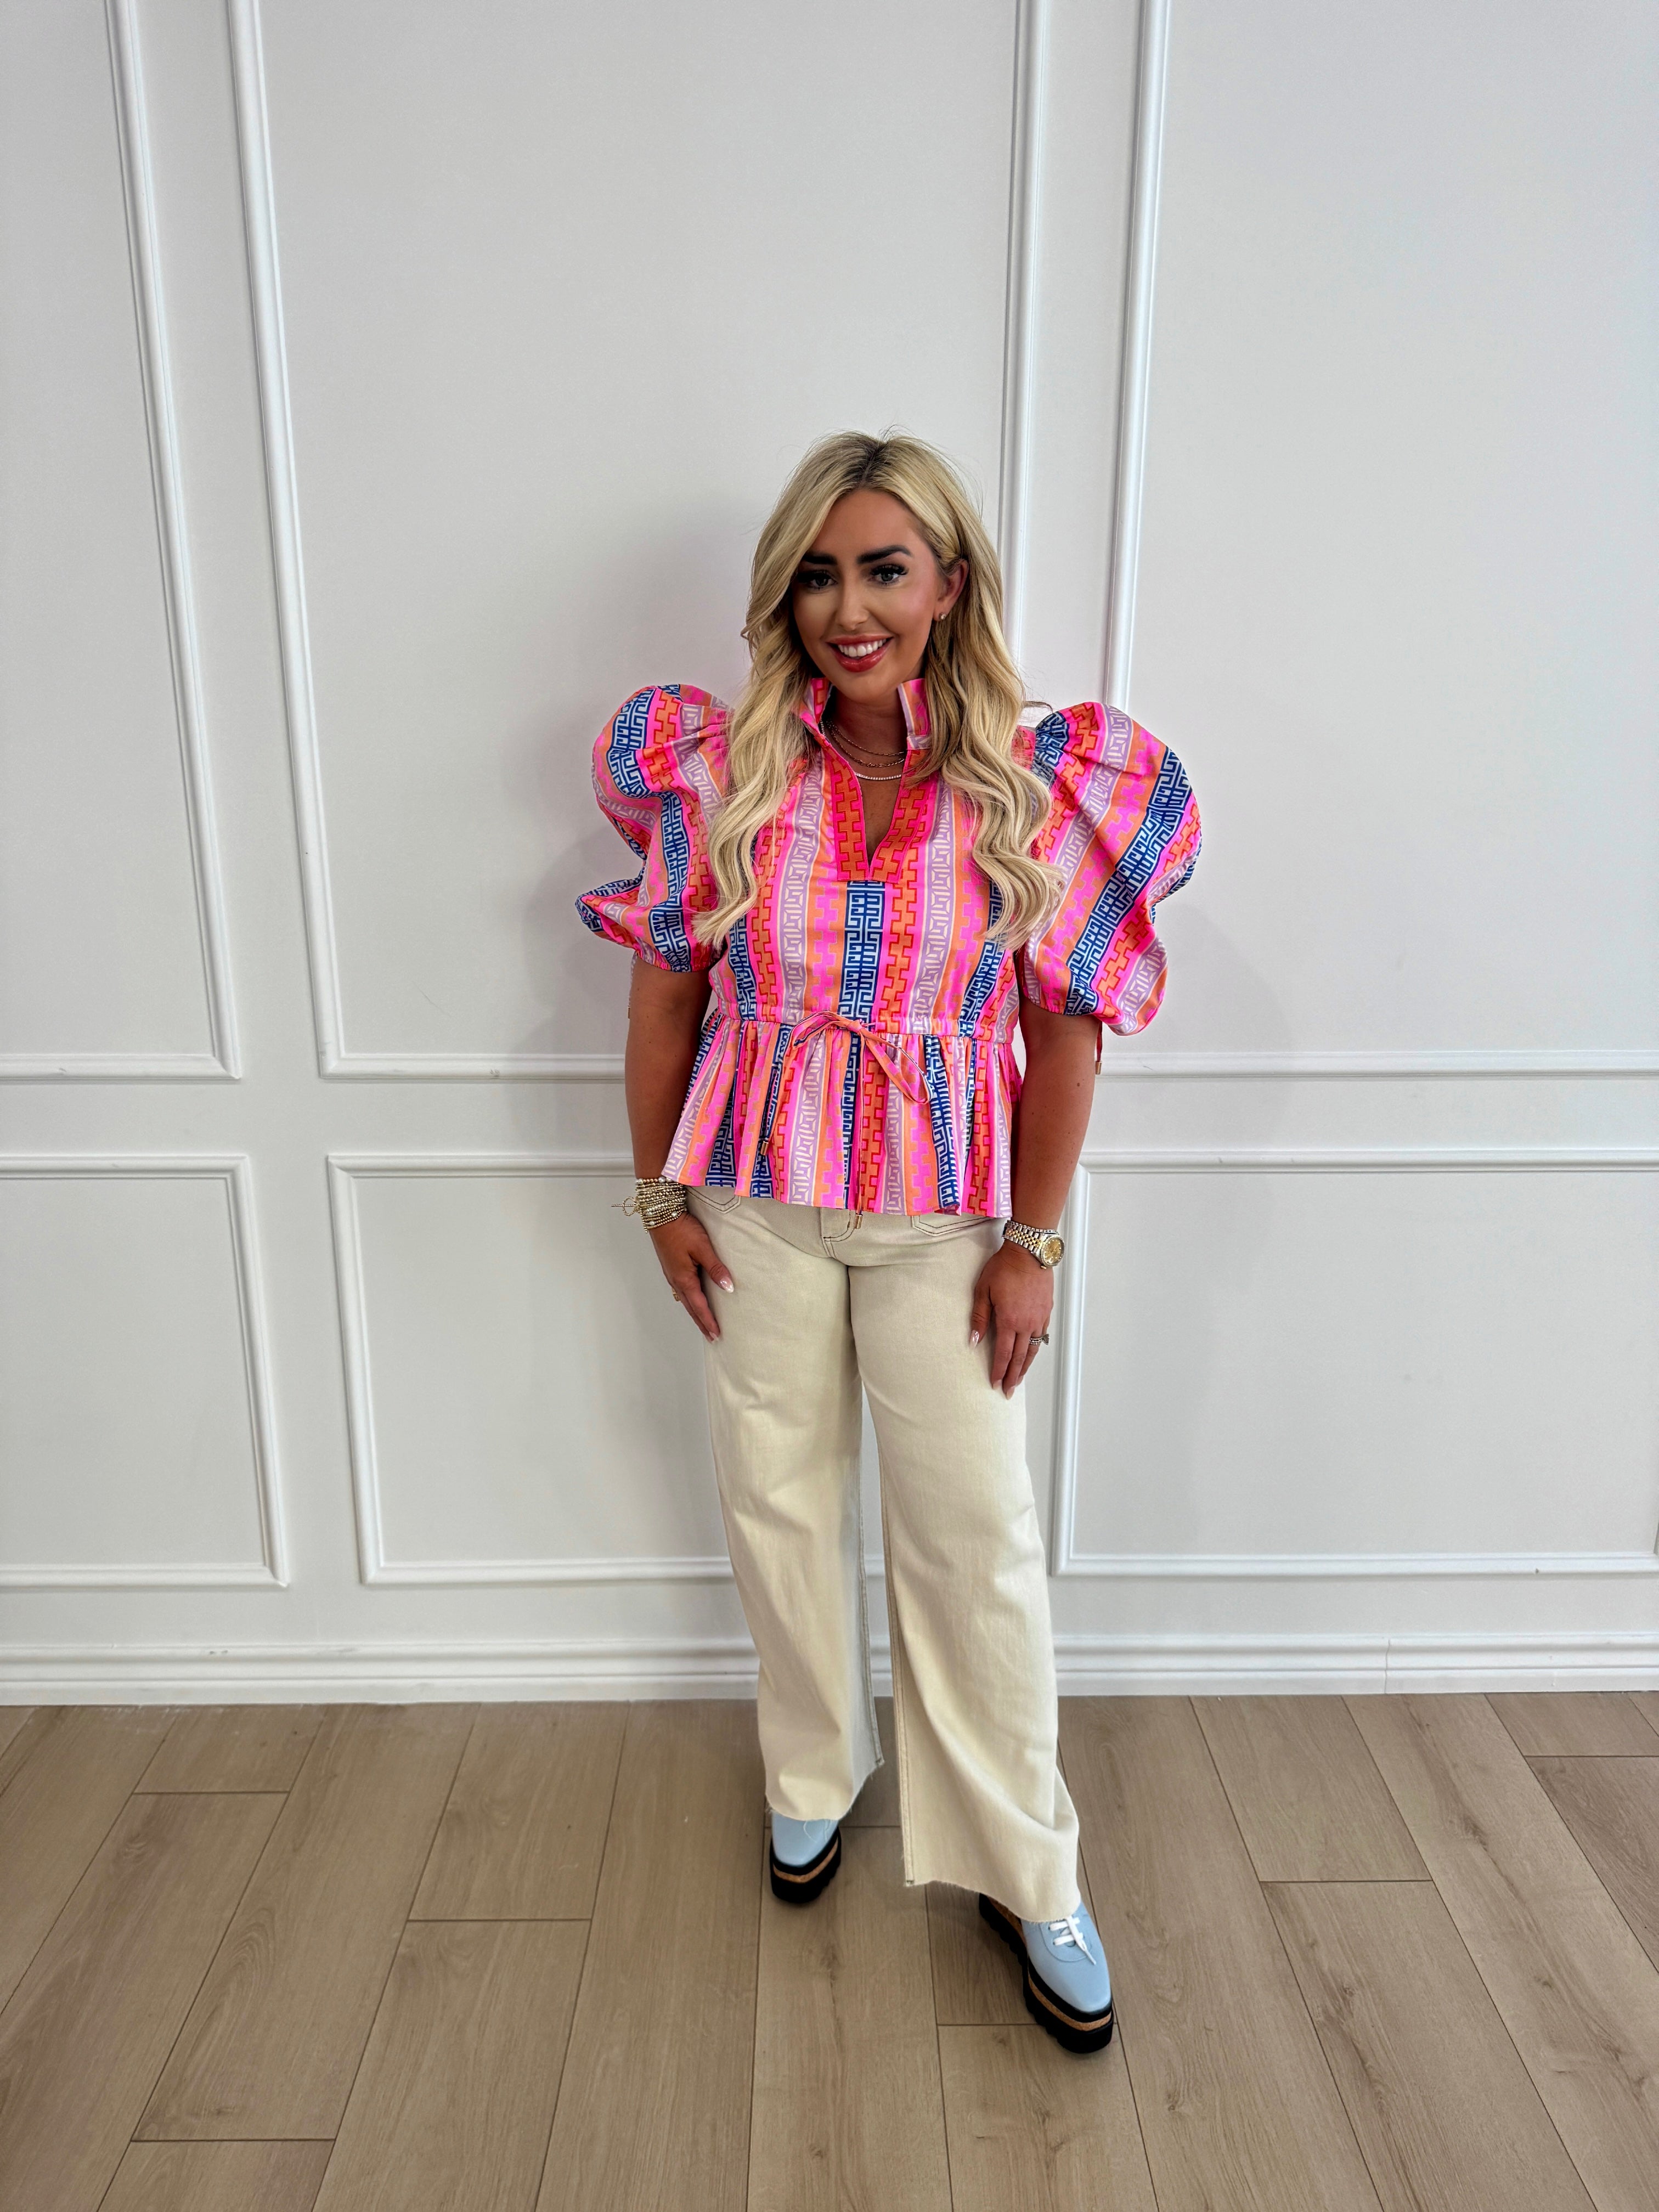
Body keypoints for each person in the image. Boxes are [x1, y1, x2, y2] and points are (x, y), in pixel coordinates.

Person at [576, 431, 1199, 2055]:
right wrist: (659, 1199)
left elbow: (1065, 1032)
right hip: (756, 1200)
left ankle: (1026, 1867)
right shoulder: (721, 775)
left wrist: (1033, 1244)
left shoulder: (1033, 787)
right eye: (817, 575)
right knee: (774, 1496)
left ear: (948, 584)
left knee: (972, 1535)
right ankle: (811, 1769)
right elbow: (662, 1003)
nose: (848, 608)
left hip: (949, 1221)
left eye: (883, 569)